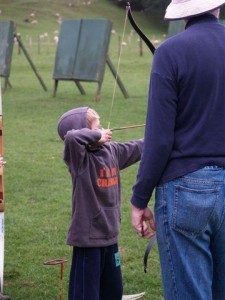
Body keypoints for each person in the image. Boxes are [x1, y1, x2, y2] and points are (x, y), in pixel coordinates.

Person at [130, 0, 225, 299]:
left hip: (186, 187)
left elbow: (158, 139)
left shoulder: (171, 52)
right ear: (216, 7)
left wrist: (139, 198)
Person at [57, 107, 143, 300]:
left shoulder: (111, 150)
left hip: (110, 234)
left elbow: (137, 147)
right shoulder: (78, 159)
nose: (103, 130)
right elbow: (72, 138)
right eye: (98, 127)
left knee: (113, 290)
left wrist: (159, 136)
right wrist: (97, 135)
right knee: (86, 293)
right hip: (88, 238)